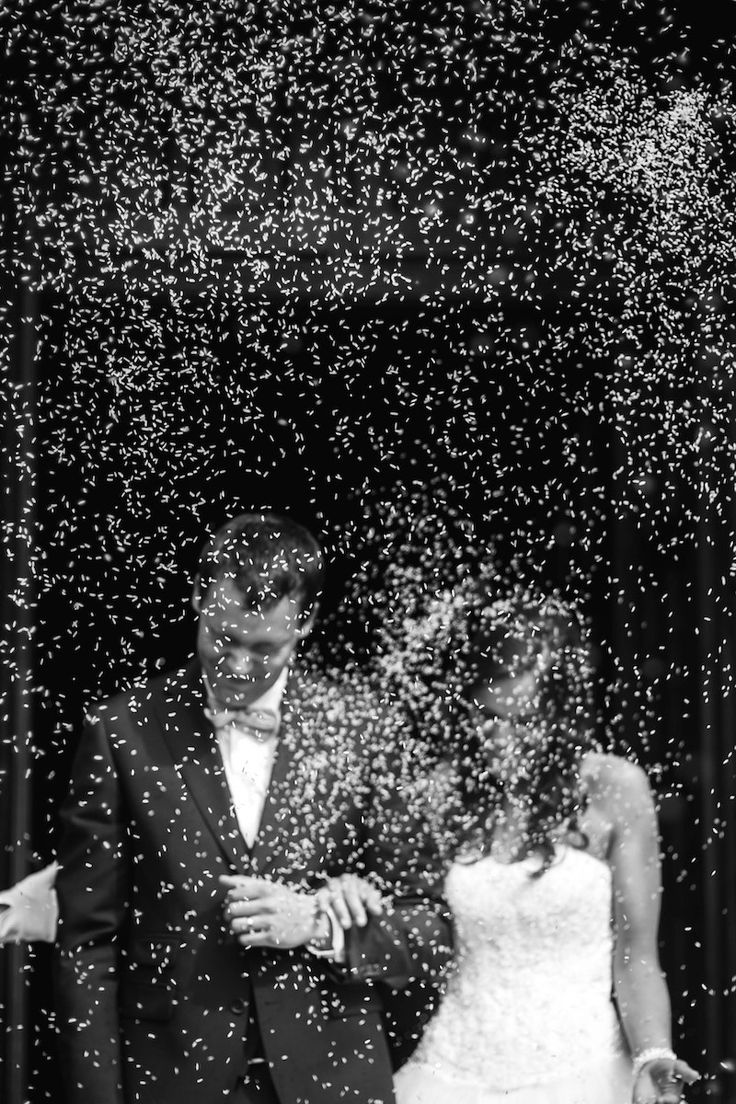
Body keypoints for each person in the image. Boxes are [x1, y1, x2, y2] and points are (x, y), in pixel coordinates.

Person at [54, 512, 452, 1104]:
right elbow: (86, 945)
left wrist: (317, 924)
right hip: (174, 1081)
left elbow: (430, 927)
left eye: (264, 647)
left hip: (333, 1080)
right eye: (223, 637)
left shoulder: (365, 730)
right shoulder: (121, 730)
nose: (238, 665)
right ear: (197, 596)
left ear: (307, 622)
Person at [335, 590, 700, 1104]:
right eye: (489, 717)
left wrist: (652, 1055)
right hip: (449, 1072)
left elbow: (636, 957)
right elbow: (412, 938)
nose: (502, 739)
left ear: (561, 713)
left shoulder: (615, 789)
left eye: (523, 721)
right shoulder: (439, 795)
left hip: (586, 1070)